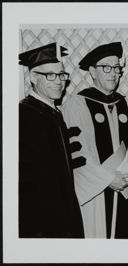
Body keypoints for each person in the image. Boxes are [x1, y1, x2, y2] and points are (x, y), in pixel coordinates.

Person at [62, 42, 128, 239]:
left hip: (125, 185)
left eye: (116, 68)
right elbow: (77, 153)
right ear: (92, 71)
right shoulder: (76, 105)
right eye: (106, 67)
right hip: (96, 192)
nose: (113, 73)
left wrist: (124, 177)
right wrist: (108, 179)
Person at [19, 42, 84, 238]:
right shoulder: (25, 114)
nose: (58, 81)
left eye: (61, 75)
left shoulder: (53, 112)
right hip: (41, 219)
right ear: (32, 77)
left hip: (63, 208)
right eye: (50, 75)